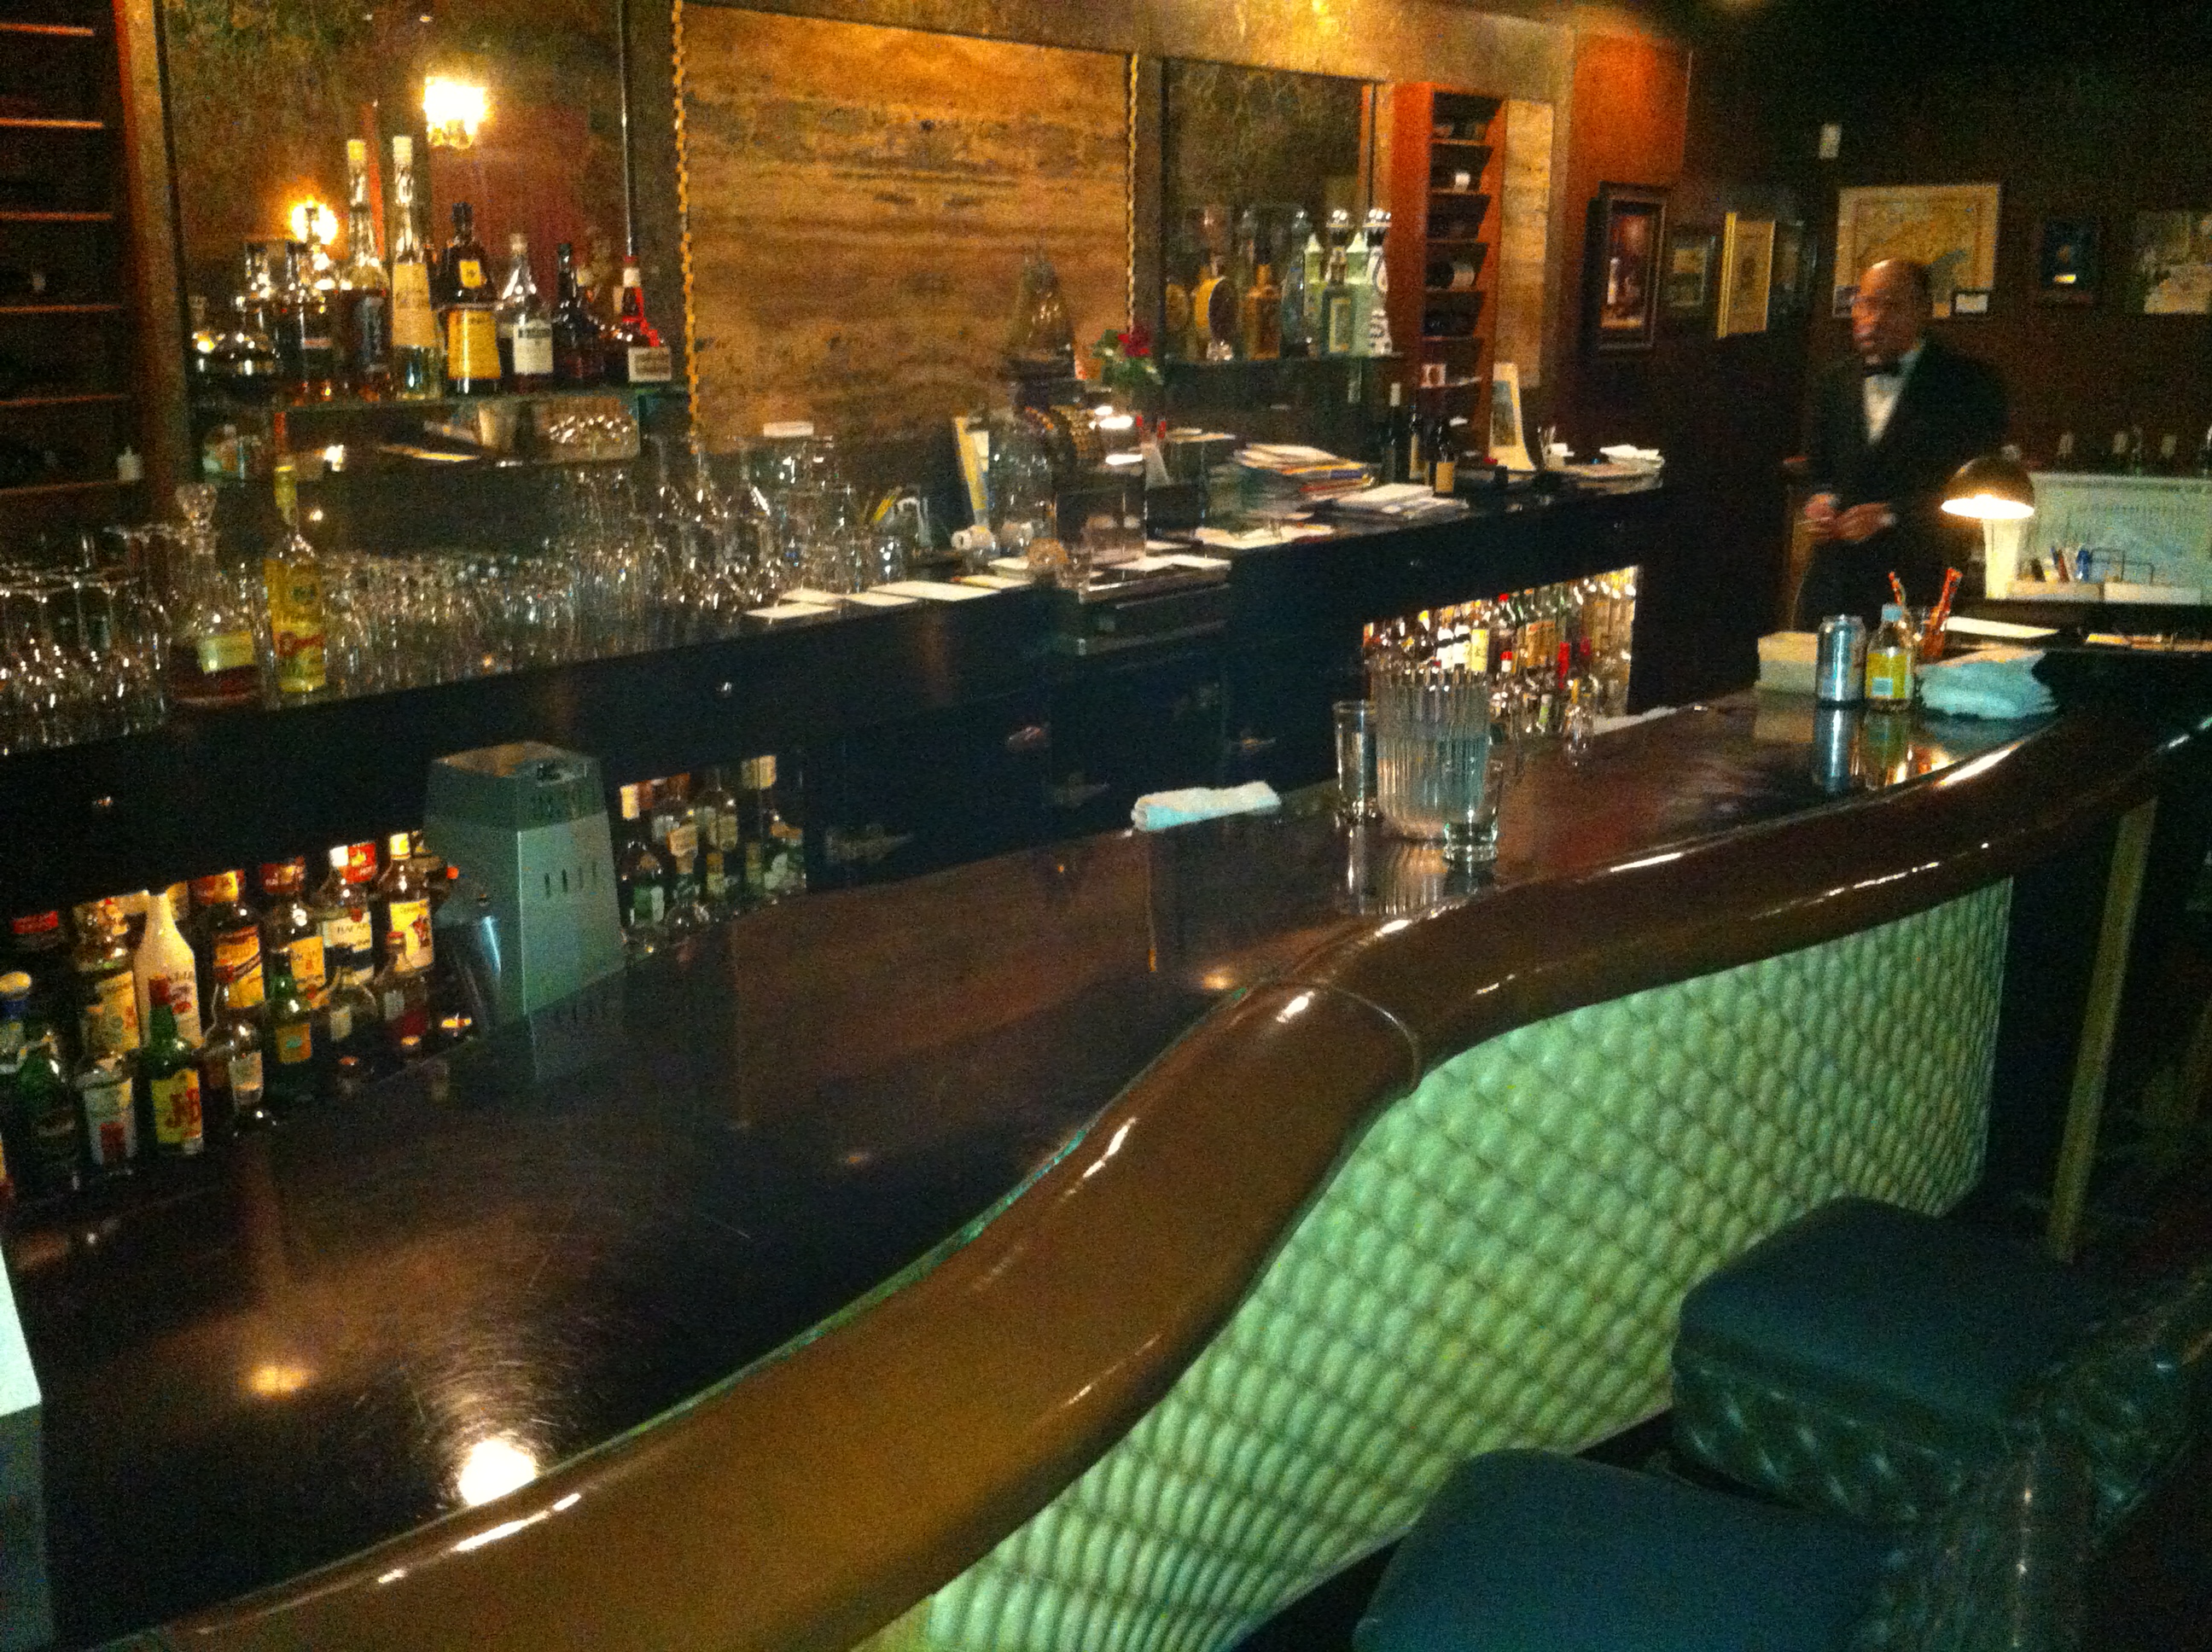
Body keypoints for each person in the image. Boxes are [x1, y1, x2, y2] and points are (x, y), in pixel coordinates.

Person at [1795, 258, 2007, 627]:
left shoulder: (1970, 386)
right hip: (1835, 584)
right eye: (1865, 303)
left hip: (1918, 580)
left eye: (1891, 306)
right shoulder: (1834, 382)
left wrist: (1891, 515)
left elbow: (1976, 493)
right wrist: (1822, 502)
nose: (1874, 318)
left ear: (1924, 311)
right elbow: (1821, 470)